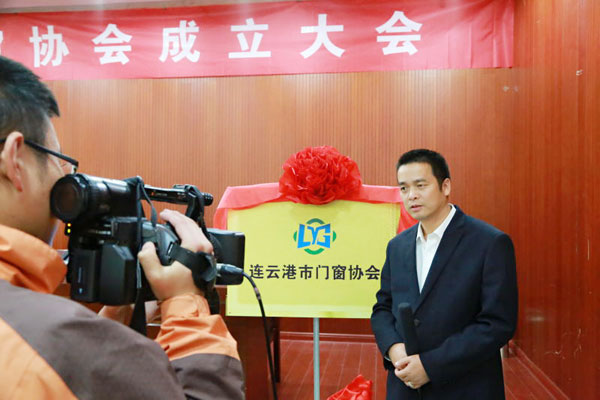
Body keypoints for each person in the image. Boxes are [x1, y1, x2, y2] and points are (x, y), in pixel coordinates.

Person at [0, 56, 244, 399]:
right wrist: (185, 303)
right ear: (14, 159)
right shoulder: (54, 348)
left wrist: (104, 329)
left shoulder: (55, 343)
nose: (62, 178)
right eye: (60, 162)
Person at [371, 149, 518, 399]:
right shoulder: (397, 246)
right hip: (405, 386)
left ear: (445, 186)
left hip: (465, 387)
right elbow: (383, 308)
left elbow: (497, 324)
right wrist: (394, 349)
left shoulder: (489, 242)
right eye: (404, 188)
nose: (411, 195)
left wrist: (430, 366)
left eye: (421, 185)